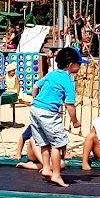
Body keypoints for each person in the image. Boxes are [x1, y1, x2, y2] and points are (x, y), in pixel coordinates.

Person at [25, 47, 81, 188]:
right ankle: (56, 174)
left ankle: (46, 168)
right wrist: (75, 121)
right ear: (70, 65)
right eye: (78, 63)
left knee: (44, 142)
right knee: (58, 144)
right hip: (48, 113)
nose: (80, 67)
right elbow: (69, 104)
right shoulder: (68, 81)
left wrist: (35, 100)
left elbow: (36, 86)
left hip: (35, 110)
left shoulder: (52, 74)